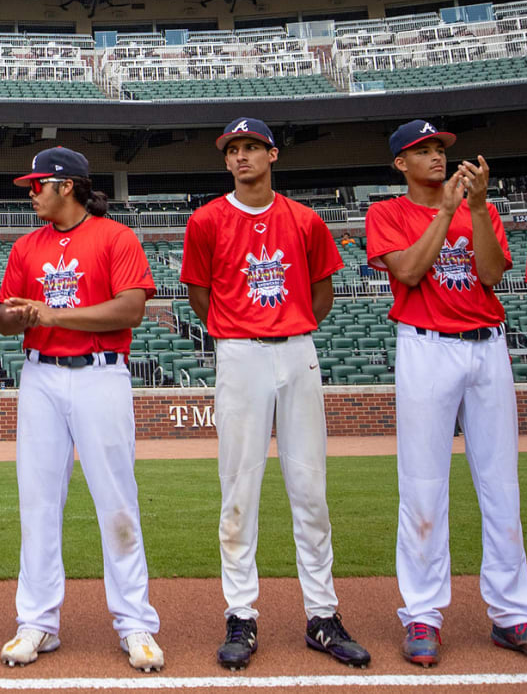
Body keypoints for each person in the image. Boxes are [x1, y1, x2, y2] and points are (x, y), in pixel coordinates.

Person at [365, 120, 527, 668]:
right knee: (424, 485)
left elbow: (492, 273)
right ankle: (423, 615)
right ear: (400, 164)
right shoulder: (385, 213)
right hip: (426, 345)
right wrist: (449, 211)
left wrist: (476, 209)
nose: (437, 158)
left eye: (440, 149)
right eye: (422, 151)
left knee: (501, 483)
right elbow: (407, 271)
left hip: (486, 345)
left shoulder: (487, 210)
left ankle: (512, 614)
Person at [183, 119, 367, 670]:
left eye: (252, 148)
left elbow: (322, 290)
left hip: (296, 347)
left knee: (309, 486)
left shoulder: (305, 219)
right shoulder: (206, 220)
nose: (242, 157)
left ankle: (322, 615)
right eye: (233, 150)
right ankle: (241, 613)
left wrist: (290, 327)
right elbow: (199, 294)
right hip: (238, 351)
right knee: (239, 488)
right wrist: (238, 332)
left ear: (273, 154)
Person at [0, 146, 164, 673]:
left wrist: (51, 313)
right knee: (38, 501)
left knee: (116, 502)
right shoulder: (25, 247)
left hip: (101, 372)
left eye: (37, 184)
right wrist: (17, 315)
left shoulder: (116, 237)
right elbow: (5, 319)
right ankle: (37, 622)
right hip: (41, 374)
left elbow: (132, 307)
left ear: (66, 185)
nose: (30, 192)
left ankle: (135, 623)